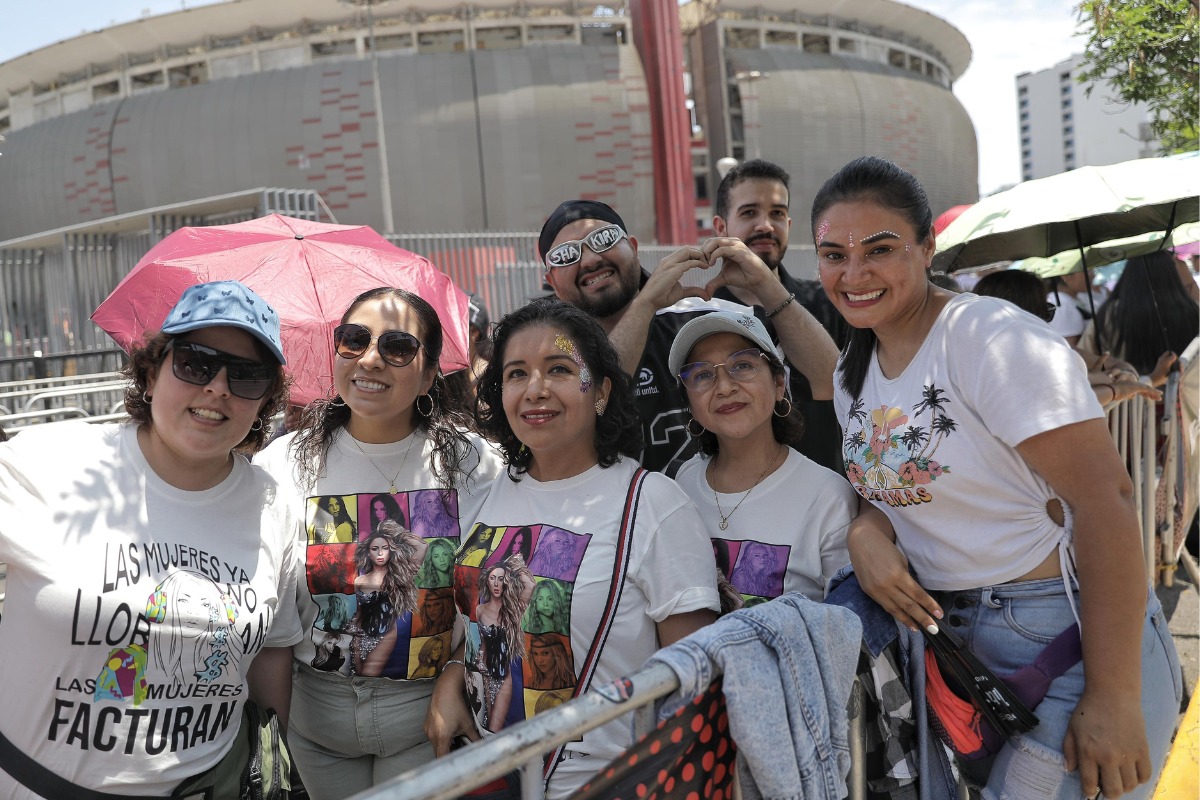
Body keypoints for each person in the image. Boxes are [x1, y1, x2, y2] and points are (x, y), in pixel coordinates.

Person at [813, 156, 1180, 800]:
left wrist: (1115, 696)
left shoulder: (987, 338)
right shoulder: (854, 371)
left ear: (928, 248)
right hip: (958, 656)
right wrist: (865, 535)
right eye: (833, 254)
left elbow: (1107, 502)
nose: (854, 273)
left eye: (879, 248)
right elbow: (894, 493)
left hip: (1068, 636)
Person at [0, 280, 302, 798]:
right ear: (150, 371)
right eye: (194, 363)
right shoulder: (48, 463)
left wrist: (271, 761)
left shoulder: (274, 505)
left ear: (266, 400)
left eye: (248, 375)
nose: (218, 388)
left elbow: (273, 649)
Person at [425, 298, 721, 799]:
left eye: (559, 369)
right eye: (517, 374)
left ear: (602, 391)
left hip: (609, 783)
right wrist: (454, 673)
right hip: (487, 773)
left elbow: (696, 676)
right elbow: (491, 620)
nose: (535, 389)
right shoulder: (488, 492)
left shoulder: (653, 504)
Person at [257, 286, 502, 798]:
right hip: (315, 720)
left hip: (426, 714)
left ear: (430, 373)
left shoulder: (475, 464)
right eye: (354, 339)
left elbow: (488, 594)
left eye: (396, 347)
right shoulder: (282, 463)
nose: (371, 358)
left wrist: (455, 674)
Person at [538, 199, 839, 472]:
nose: (590, 260)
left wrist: (766, 284)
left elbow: (831, 381)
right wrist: (645, 305)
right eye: (566, 255)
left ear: (632, 246)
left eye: (602, 240)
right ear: (551, 279)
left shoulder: (709, 319)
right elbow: (590, 409)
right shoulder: (541, 355)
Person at [667, 310, 855, 603]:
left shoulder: (828, 497)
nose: (725, 387)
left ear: (780, 383)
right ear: (689, 403)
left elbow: (847, 626)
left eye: (742, 365)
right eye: (703, 374)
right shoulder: (683, 483)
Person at [710, 158, 849, 471]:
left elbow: (838, 385)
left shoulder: (827, 303)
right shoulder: (697, 319)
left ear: (788, 224)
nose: (765, 225)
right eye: (749, 213)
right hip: (733, 501)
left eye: (777, 213)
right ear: (721, 228)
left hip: (828, 494)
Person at [974, 269, 1160, 408]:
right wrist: (1111, 385)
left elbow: (1117, 366)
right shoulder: (1006, 363)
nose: (1093, 275)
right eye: (1044, 309)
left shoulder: (969, 356)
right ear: (1024, 313)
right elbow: (1060, 397)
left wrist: (1124, 375)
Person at [1080, 250, 1200, 385]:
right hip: (1184, 397)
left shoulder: (1110, 313)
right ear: (1172, 274)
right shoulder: (1192, 310)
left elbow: (1084, 357)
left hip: (1126, 398)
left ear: (1129, 274)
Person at [349, 521, 424, 677]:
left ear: (391, 551)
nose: (380, 553)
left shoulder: (400, 577)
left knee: (369, 675)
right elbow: (358, 613)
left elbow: (422, 547)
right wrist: (354, 639)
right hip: (360, 634)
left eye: (385, 548)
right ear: (368, 553)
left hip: (387, 633)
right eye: (375, 549)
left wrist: (394, 532)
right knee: (355, 673)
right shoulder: (359, 581)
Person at [474, 556, 535, 732]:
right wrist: (479, 661)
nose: (496, 584)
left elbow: (530, 586)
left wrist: (514, 566)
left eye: (501, 579)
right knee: (482, 723)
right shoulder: (479, 610)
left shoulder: (513, 610)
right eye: (493, 578)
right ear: (487, 581)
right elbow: (481, 642)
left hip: (504, 676)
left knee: (494, 728)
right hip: (483, 674)